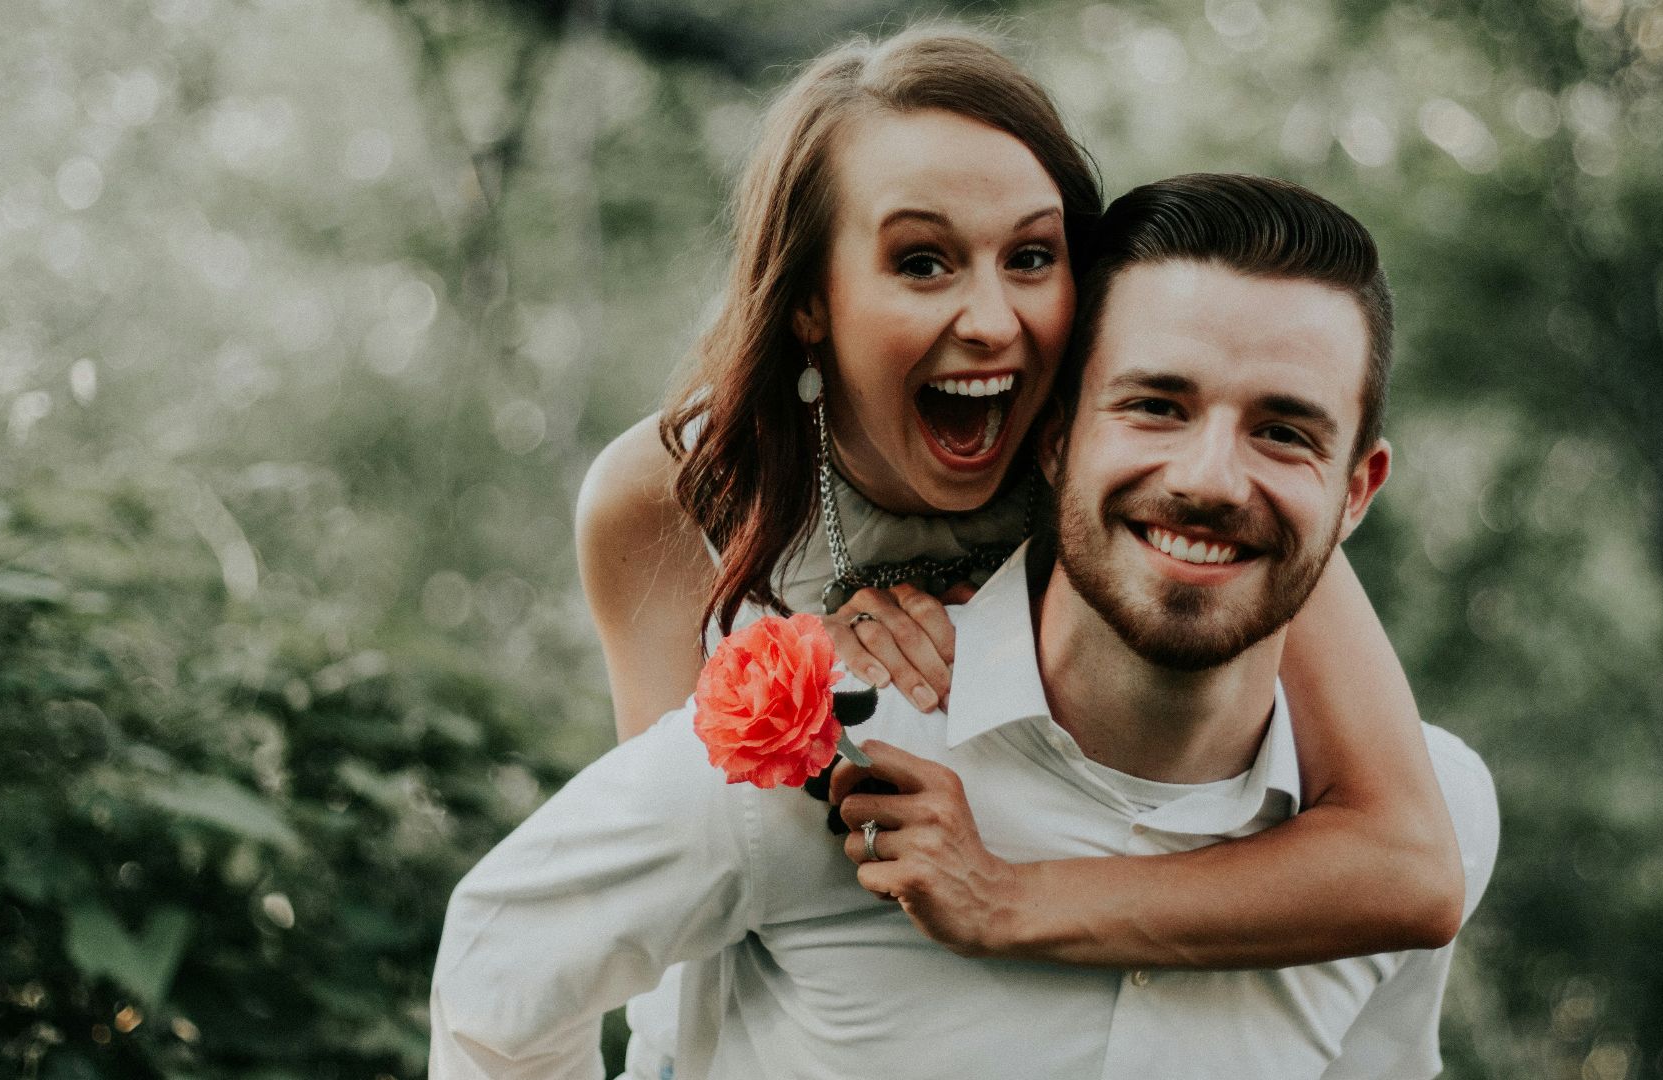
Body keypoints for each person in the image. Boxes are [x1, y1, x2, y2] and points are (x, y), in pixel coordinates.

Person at [431, 173, 1499, 1080]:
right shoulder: (823, 757)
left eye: (1283, 430)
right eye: (1155, 406)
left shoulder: (1431, 811)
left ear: (1358, 491)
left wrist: (1010, 899)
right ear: (1051, 437)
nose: (1209, 478)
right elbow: (499, 971)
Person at [573, 27, 1463, 994]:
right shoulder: (663, 498)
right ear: (808, 301)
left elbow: (1407, 863)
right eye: (922, 263)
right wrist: (817, 683)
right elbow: (672, 881)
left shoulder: (1163, 482)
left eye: (1033, 257)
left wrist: (1008, 899)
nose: (994, 320)